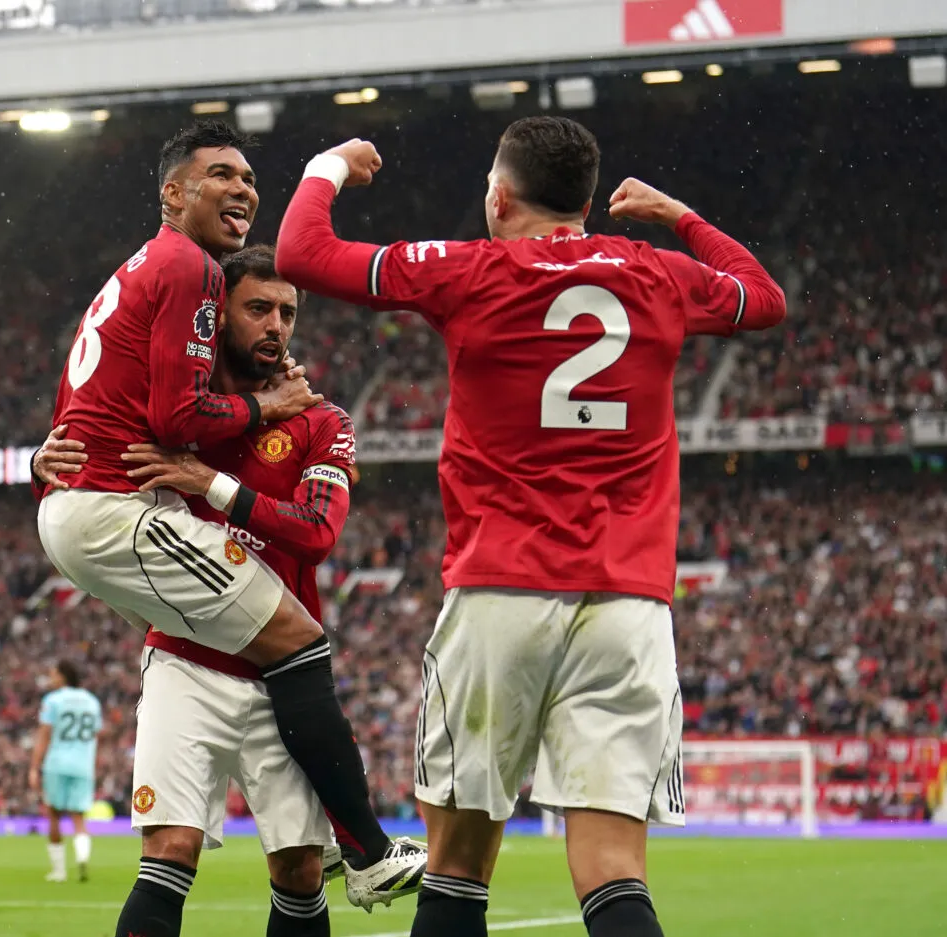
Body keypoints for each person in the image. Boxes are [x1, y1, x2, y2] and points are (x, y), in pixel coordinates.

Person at [275, 117, 786, 937]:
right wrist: (678, 216)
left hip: (499, 593)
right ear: (586, 200)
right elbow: (763, 297)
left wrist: (325, 163)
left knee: (456, 870)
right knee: (614, 872)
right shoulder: (657, 273)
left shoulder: (467, 270)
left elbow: (302, 253)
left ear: (501, 198)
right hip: (628, 605)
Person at [33, 120, 428, 921]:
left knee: (297, 871)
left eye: (288, 312)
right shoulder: (192, 300)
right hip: (182, 650)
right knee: (169, 849)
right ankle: (369, 850)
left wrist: (208, 479)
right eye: (256, 309)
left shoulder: (316, 418)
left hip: (265, 675)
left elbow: (316, 532)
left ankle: (356, 849)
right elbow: (168, 413)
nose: (274, 326)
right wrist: (52, 457)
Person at [29, 660, 103, 883]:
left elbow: (44, 734)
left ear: (63, 676)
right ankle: (82, 857)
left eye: (53, 675)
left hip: (57, 762)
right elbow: (96, 734)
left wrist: (34, 767)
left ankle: (59, 871)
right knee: (79, 817)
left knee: (53, 814)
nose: (50, 679)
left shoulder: (53, 700)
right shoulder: (92, 701)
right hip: (83, 764)